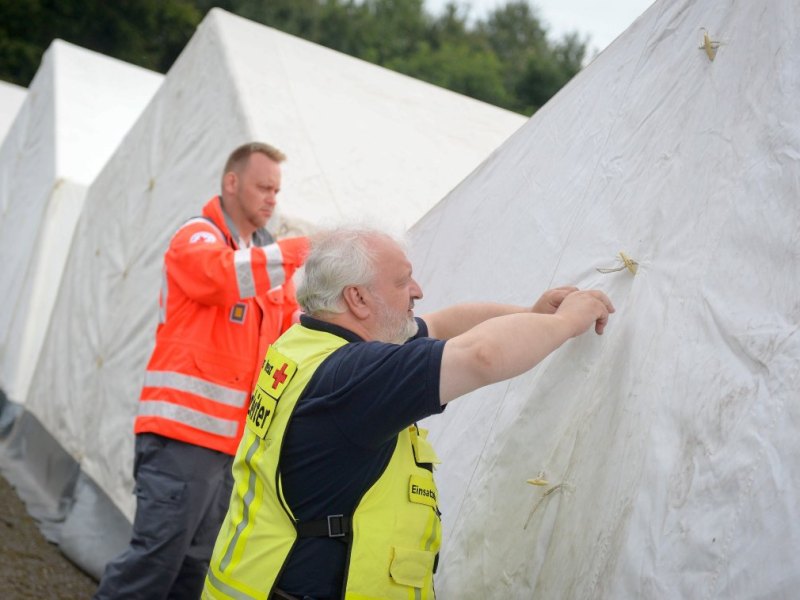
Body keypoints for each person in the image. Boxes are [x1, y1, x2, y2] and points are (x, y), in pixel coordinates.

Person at [201, 227, 614, 600]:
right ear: (357, 298)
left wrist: (532, 317)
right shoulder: (356, 378)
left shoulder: (310, 343)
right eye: (403, 281)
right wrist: (565, 324)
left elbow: (443, 323)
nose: (418, 289)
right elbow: (481, 355)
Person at [94, 142, 309, 600]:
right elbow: (218, 278)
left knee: (194, 572)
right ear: (231, 183)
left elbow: (290, 329)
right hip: (181, 439)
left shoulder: (263, 260)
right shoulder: (199, 237)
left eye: (277, 189)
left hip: (228, 449)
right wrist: (298, 251)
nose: (272, 198)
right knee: (153, 565)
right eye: (263, 186)